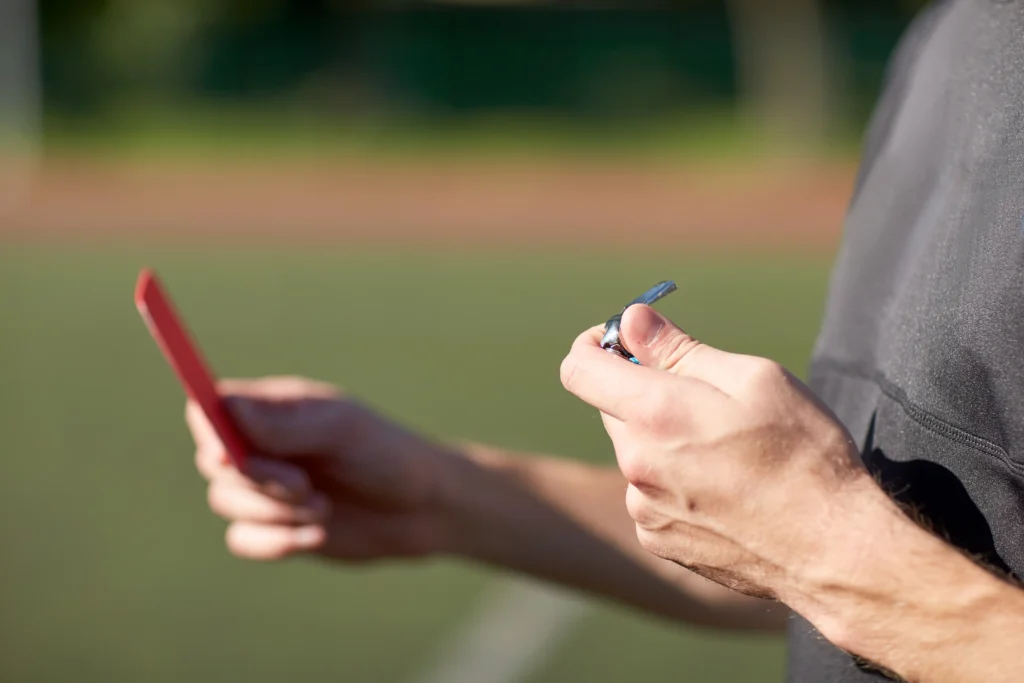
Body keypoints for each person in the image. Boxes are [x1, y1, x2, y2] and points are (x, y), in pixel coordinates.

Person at [186, 2, 1024, 681]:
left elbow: (857, 560)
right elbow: (915, 556)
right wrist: (439, 491)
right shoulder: (948, 36)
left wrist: (830, 549)